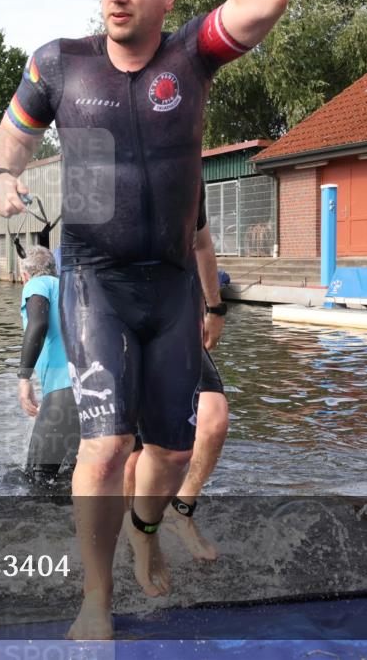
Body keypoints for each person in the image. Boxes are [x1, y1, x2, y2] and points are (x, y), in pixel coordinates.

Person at [0, 0, 287, 640]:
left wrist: (213, 303)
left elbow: (263, 8)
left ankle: (144, 529)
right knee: (106, 444)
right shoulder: (60, 64)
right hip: (97, 281)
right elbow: (13, 133)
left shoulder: (193, 55)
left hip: (173, 286)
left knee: (175, 449)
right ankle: (96, 598)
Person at [124, 195, 230, 562]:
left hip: (176, 318)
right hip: (120, 317)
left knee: (214, 419)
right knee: (133, 453)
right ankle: (132, 531)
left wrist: (214, 307)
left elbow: (201, 240)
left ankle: (181, 511)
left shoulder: (185, 167)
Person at [17, 245, 80, 484]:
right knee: (77, 476)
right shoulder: (68, 287)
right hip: (89, 391)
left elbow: (38, 325)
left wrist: (24, 378)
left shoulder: (36, 284)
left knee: (37, 478)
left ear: (25, 276)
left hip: (63, 392)